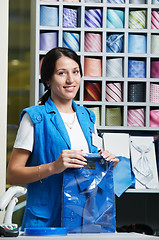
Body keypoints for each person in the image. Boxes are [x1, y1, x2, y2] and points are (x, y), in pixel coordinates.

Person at [7, 47, 118, 230]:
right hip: (45, 221)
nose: (70, 80)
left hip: (84, 219)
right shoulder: (35, 118)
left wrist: (105, 164)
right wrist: (53, 167)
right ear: (48, 79)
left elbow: (89, 172)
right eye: (61, 73)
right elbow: (13, 174)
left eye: (75, 72)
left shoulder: (88, 117)